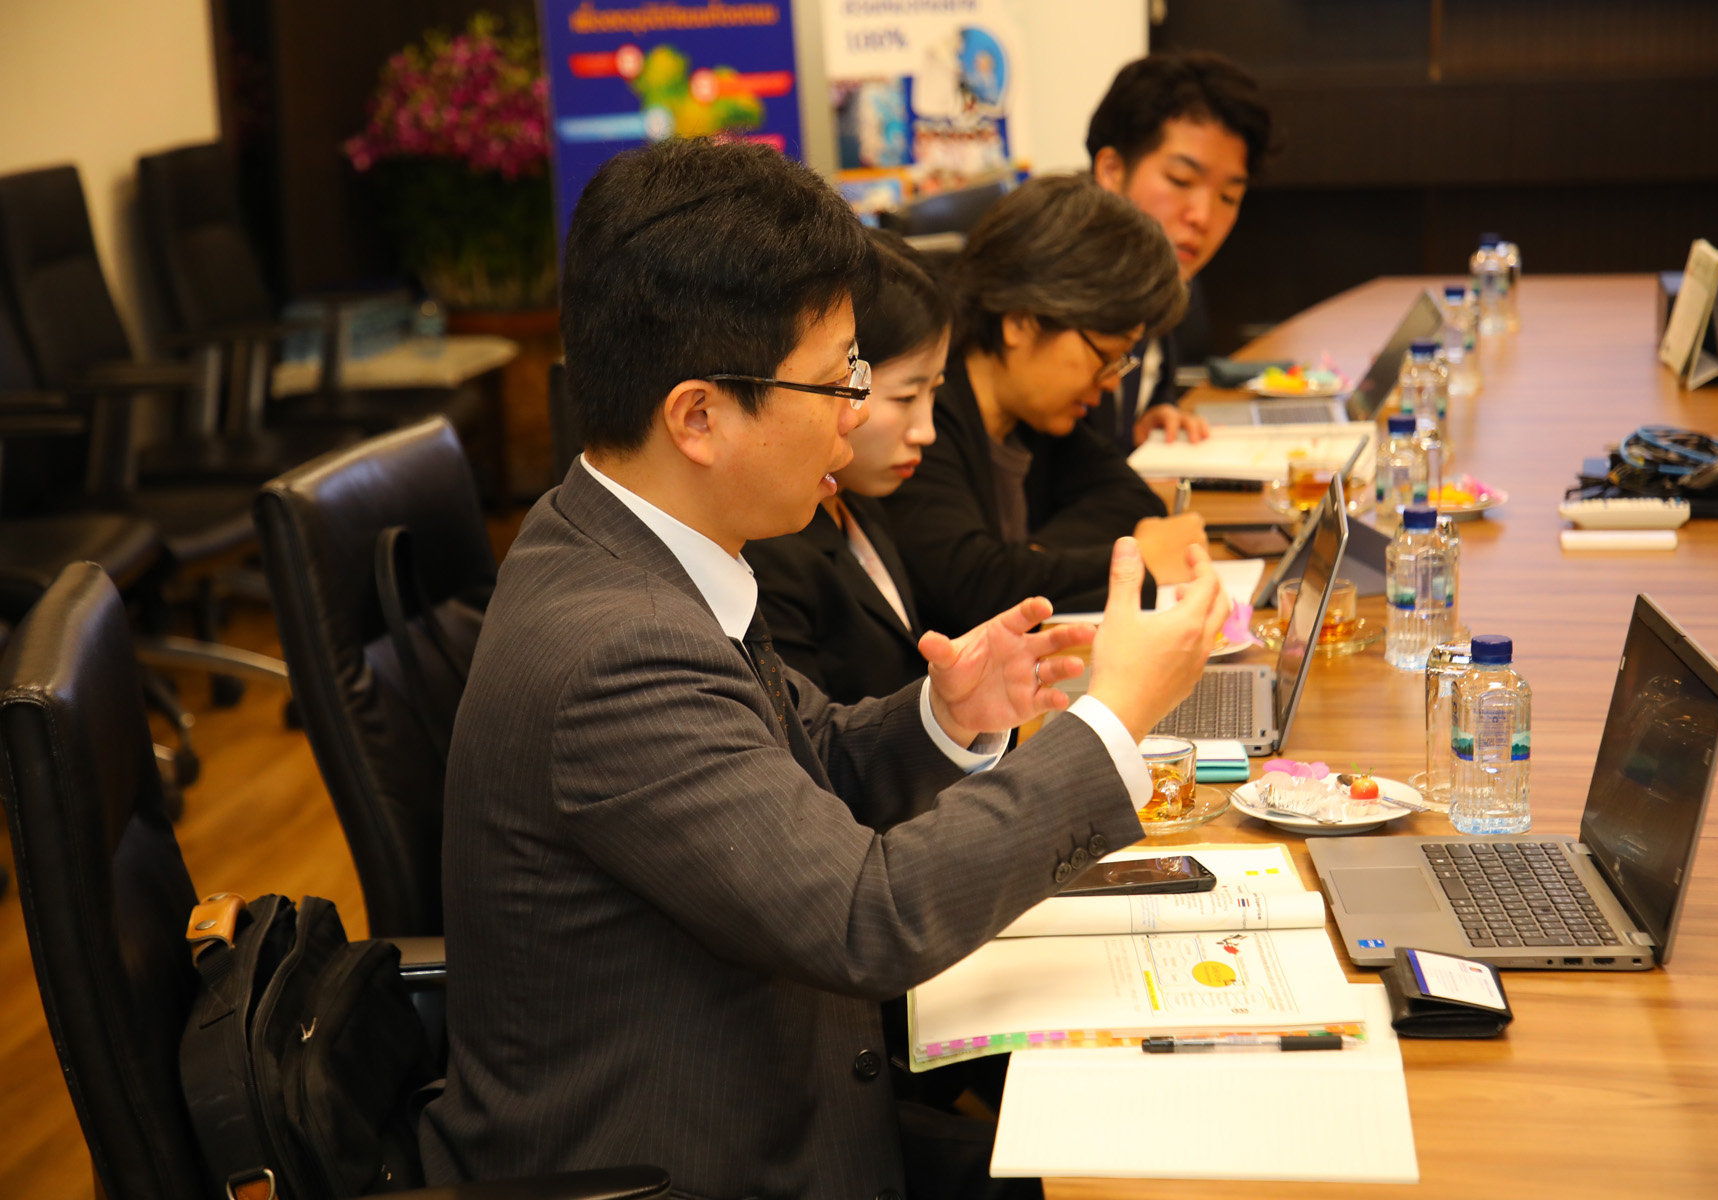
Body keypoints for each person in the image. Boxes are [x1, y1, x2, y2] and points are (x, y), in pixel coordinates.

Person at [420, 137, 1232, 1200]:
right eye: (839, 376)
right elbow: (867, 917)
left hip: (787, 1097)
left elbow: (799, 763)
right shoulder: (617, 648)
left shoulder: (626, 537)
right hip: (695, 1164)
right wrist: (1114, 718)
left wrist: (946, 716)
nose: (857, 409)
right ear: (698, 416)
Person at [882, 173, 1206, 638]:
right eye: (1105, 356)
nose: (1111, 383)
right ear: (1020, 322)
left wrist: (1027, 561)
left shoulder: (1034, 420)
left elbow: (1129, 499)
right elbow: (968, 588)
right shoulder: (922, 418)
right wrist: (1135, 562)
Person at [743, 230, 946, 703]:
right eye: (905, 397)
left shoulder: (862, 505)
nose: (927, 431)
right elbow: (810, 738)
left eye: (935, 391)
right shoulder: (773, 551)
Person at [1084, 51, 1275, 451]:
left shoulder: (1161, 285)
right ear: (1112, 171)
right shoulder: (1061, 303)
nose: (1202, 217)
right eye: (1181, 179)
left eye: (1229, 196)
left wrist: (1149, 414)